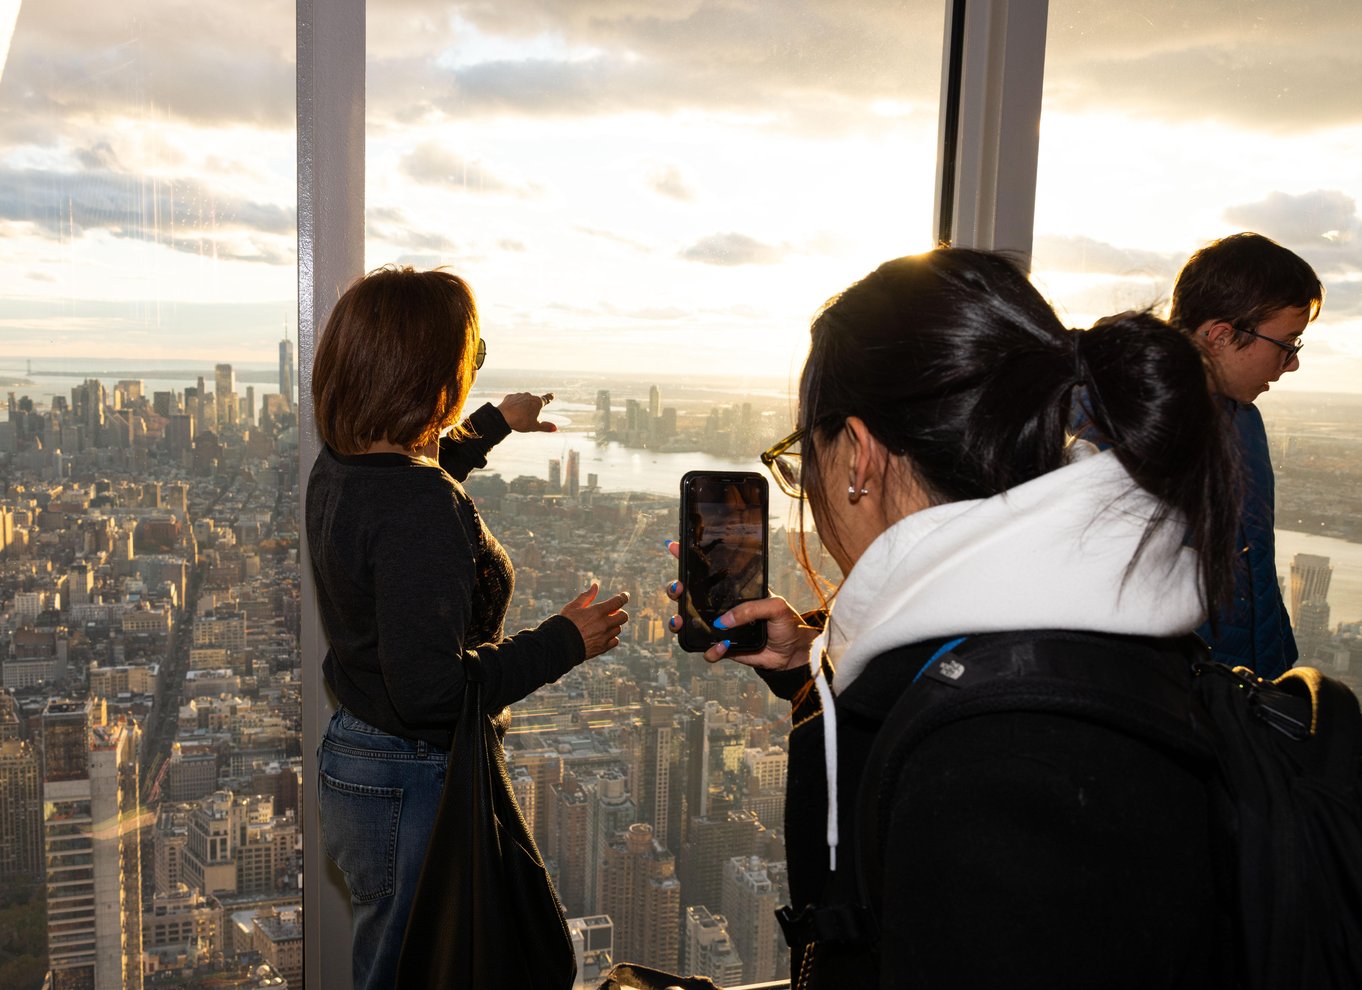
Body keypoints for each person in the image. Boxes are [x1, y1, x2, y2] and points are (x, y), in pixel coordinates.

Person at [666, 249, 1242, 987]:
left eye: (803, 454)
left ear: (859, 456)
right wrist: (810, 656)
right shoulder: (1076, 631)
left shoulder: (994, 771)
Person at [307, 265, 629, 990]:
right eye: (469, 356)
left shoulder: (340, 469)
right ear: (428, 375)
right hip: (416, 775)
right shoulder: (421, 508)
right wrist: (563, 642)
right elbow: (430, 691)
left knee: (395, 965)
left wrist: (493, 423)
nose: (473, 367)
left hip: (359, 758)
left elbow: (409, 491)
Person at [1170, 232, 1323, 677]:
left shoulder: (1243, 422)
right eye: (1287, 344)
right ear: (1221, 336)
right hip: (1183, 695)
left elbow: (1253, 571)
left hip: (1242, 688)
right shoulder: (1135, 435)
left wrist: (1273, 669)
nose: (1292, 363)